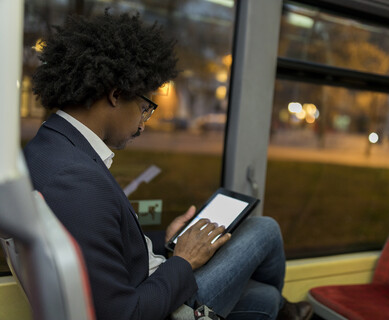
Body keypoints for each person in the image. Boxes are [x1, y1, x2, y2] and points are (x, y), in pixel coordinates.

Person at [23, 11, 313, 320]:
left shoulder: (47, 148)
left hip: (145, 280)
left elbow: (104, 248)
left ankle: (282, 310)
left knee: (265, 299)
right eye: (145, 108)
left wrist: (165, 243)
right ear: (116, 95)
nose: (142, 125)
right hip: (162, 308)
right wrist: (185, 260)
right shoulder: (77, 181)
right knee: (264, 229)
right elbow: (125, 314)